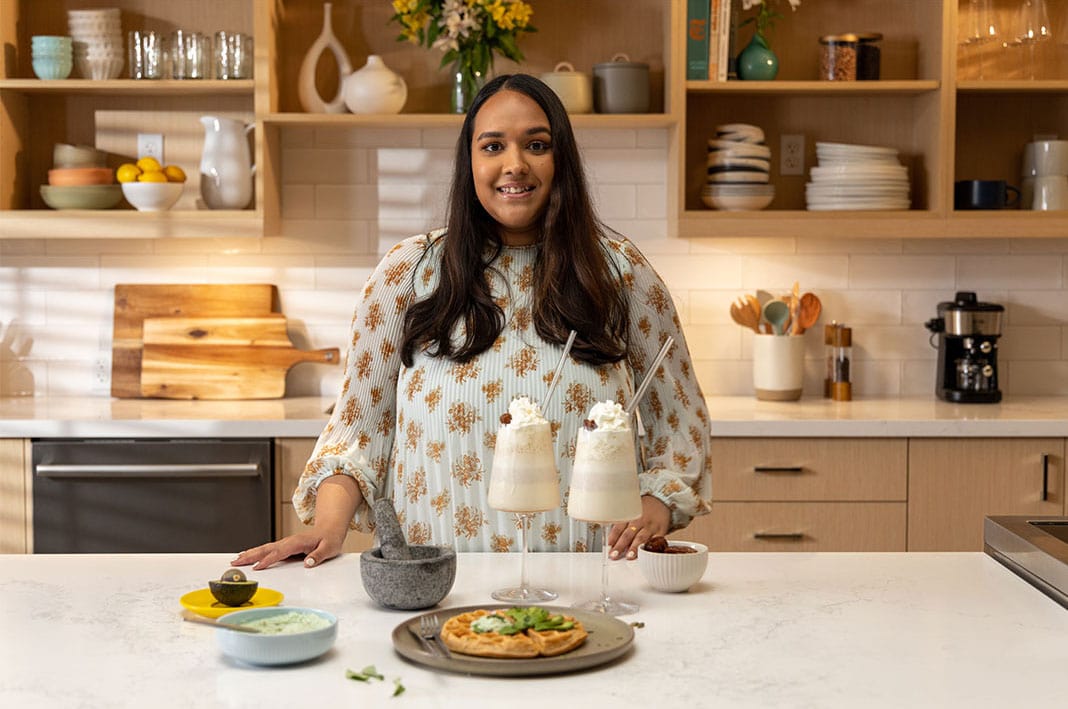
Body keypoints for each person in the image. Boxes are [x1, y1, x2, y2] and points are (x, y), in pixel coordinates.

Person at [233, 74, 710, 571]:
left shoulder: (619, 274)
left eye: (537, 144)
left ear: (561, 160)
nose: (515, 164)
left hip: (589, 583)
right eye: (493, 145)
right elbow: (358, 433)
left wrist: (657, 506)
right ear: (470, 162)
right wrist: (325, 530)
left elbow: (680, 421)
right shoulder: (408, 272)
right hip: (438, 588)